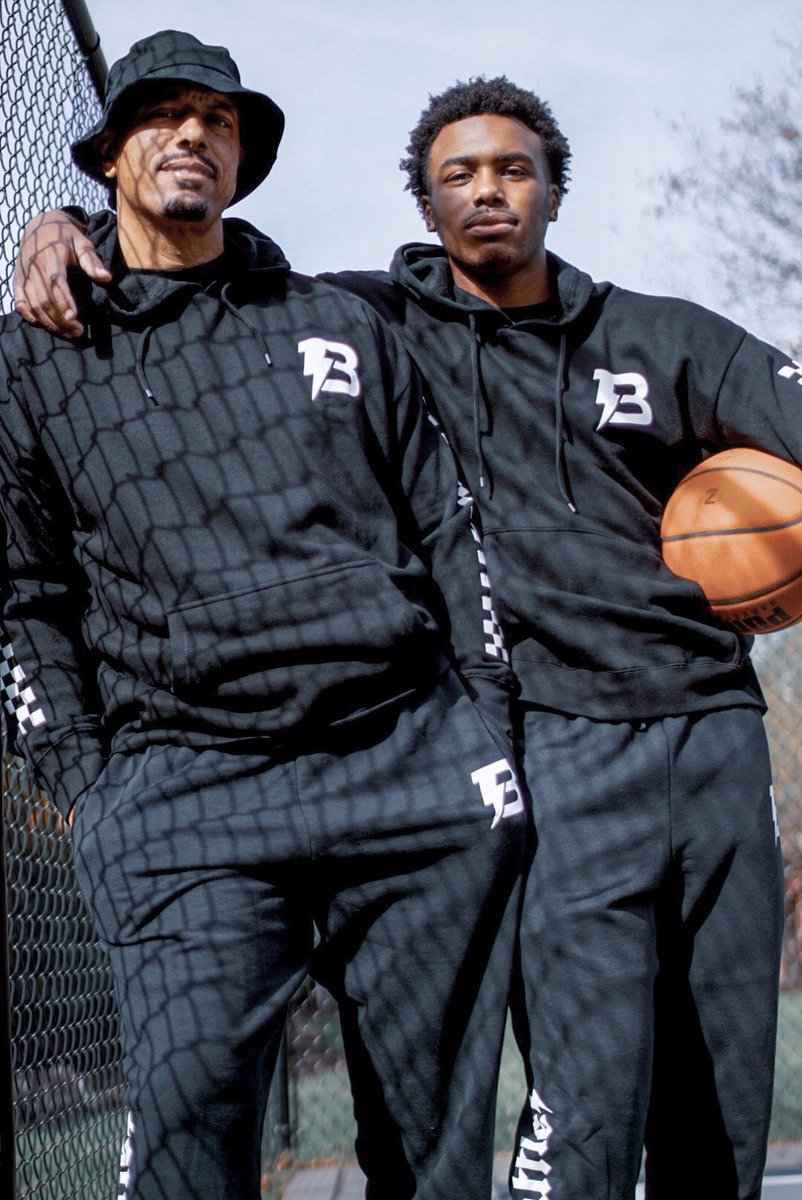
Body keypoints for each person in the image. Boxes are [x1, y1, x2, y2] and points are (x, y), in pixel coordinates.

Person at [15, 73, 796, 1200]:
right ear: (424, 206)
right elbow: (184, 259)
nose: (488, 192)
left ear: (554, 188)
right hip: (552, 733)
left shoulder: (663, 336)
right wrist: (64, 230)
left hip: (705, 719)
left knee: (721, 1091)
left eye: (514, 169)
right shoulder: (367, 317)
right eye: (457, 175)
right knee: (582, 1102)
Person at [1, 39, 528, 1200]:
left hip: (408, 764)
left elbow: (447, 526)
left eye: (219, 120)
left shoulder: (338, 318)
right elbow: (23, 594)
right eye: (162, 115)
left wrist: (483, 731)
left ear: (242, 159)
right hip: (185, 787)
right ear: (108, 155)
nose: (194, 133)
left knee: (435, 1154)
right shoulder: (38, 353)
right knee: (186, 1137)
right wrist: (86, 791)